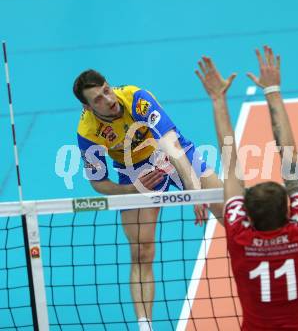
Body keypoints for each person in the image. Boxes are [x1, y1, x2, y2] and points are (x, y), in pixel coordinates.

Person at [73, 70, 223, 331]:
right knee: (141, 252)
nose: (107, 99)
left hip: (171, 152)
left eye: (107, 90)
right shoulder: (88, 132)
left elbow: (170, 144)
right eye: (97, 99)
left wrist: (194, 191)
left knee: (230, 211)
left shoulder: (135, 98)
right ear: (87, 106)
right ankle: (145, 326)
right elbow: (98, 182)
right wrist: (132, 190)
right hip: (133, 171)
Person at [195, 46, 298, 330]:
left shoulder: (240, 236)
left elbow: (230, 168)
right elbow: (290, 161)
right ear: (290, 210)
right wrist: (272, 90)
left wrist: (218, 99)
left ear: (248, 216)